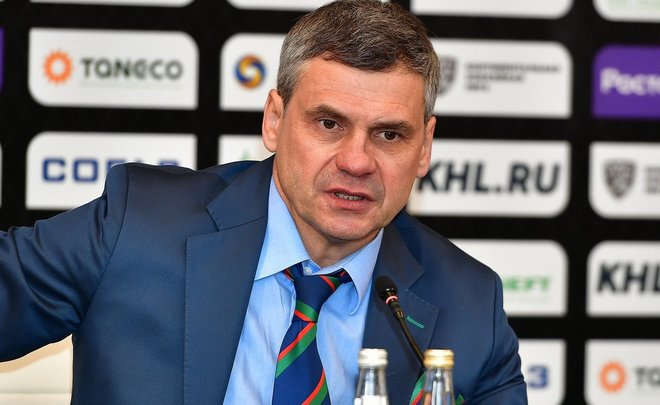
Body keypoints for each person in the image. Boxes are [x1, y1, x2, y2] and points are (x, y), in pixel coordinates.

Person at [0, 0, 527, 403]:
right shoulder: (138, 228)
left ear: (425, 147)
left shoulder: (469, 306)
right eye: (329, 124)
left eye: (389, 135)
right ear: (274, 120)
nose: (357, 161)